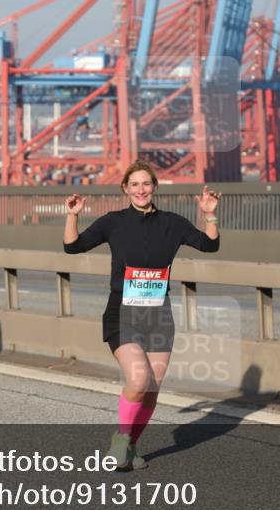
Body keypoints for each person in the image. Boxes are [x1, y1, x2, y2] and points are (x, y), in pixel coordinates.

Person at [63, 160, 221, 469]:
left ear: (154, 187)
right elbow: (73, 247)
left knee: (151, 387)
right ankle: (120, 444)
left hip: (158, 315)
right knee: (137, 379)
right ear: (125, 189)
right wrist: (72, 215)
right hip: (122, 313)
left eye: (146, 184)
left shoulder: (172, 223)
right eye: (134, 185)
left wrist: (209, 214)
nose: (140, 190)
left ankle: (131, 447)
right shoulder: (114, 222)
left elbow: (209, 245)